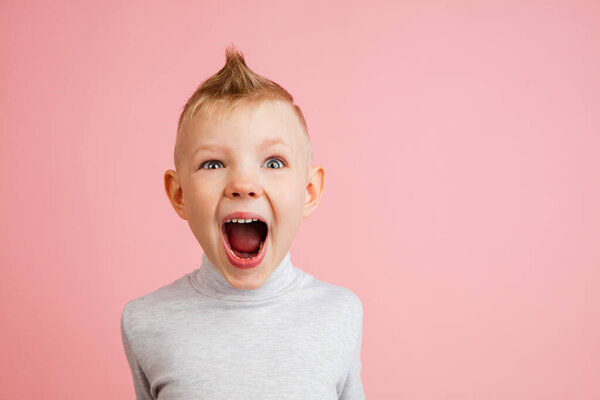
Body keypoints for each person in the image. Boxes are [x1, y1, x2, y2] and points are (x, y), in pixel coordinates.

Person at [120, 45, 365, 399]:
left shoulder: (341, 312)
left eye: (274, 162)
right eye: (214, 164)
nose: (243, 185)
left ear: (309, 190)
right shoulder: (145, 322)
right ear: (180, 195)